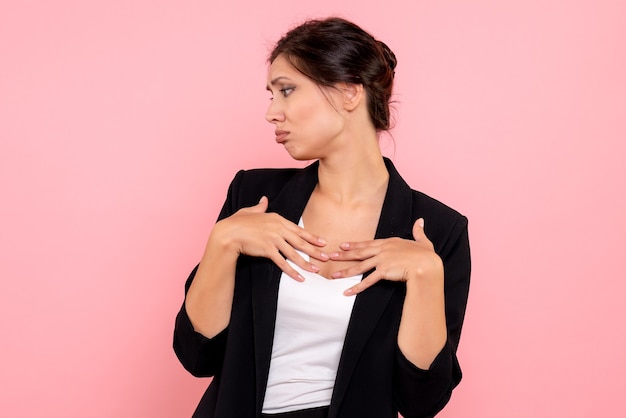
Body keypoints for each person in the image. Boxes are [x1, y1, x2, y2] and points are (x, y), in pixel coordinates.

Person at [173, 17, 471, 418]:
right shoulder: (254, 196)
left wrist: (426, 278)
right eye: (271, 95)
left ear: (349, 92)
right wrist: (222, 243)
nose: (272, 113)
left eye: (287, 90)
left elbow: (421, 402)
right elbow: (197, 355)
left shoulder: (438, 229)